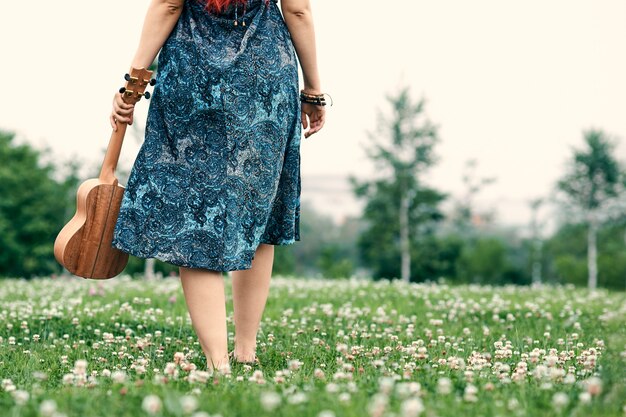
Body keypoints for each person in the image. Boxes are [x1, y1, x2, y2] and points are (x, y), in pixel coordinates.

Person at [109, 0, 326, 374]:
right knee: (254, 211)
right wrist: (313, 90)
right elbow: (298, 11)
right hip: (264, 71)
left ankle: (218, 363)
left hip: (192, 72)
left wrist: (133, 85)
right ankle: (245, 350)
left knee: (194, 214)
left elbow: (168, 4)